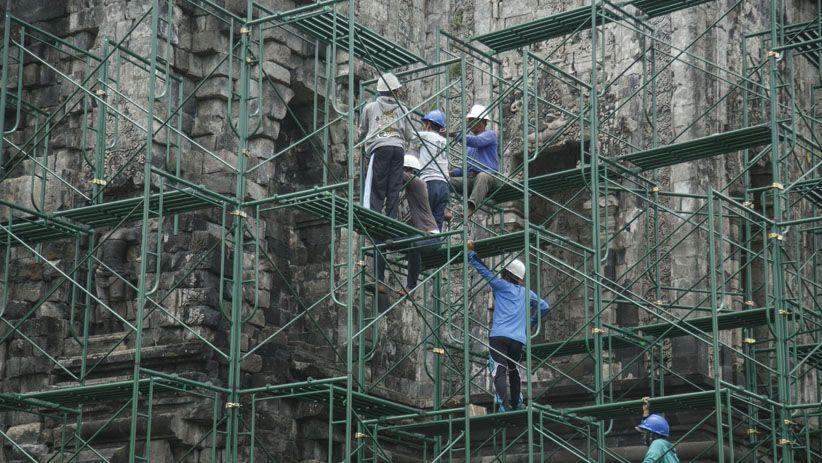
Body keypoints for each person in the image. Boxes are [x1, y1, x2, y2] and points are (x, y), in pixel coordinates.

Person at [466, 240, 550, 412]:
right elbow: (544, 306)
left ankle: (503, 405)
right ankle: (518, 403)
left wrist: (471, 255)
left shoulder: (500, 285)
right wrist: (531, 322)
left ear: (507, 274)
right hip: (518, 339)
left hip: (499, 336)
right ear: (519, 278)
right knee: (514, 370)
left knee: (499, 370)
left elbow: (485, 272)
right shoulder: (527, 293)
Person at [372, 155, 440, 294]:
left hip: (430, 236)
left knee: (413, 243)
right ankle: (379, 281)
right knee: (380, 240)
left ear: (408, 170)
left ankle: (411, 287)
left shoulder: (417, 184)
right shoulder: (397, 194)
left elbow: (396, 174)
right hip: (411, 237)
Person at [359, 73, 412, 219]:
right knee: (394, 185)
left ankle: (374, 215)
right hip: (398, 149)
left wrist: (361, 143)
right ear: (395, 91)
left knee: (377, 183)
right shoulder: (403, 109)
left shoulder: (369, 108)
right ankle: (391, 216)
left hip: (379, 147)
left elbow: (362, 131)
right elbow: (409, 135)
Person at [448, 104, 499, 216]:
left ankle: (471, 207)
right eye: (470, 121)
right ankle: (443, 207)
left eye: (474, 121)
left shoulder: (490, 135)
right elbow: (467, 167)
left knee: (482, 176)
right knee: (445, 180)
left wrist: (456, 135)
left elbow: (477, 141)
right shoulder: (469, 146)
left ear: (484, 122)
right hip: (471, 178)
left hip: (488, 177)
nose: (472, 124)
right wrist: (451, 173)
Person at [413, 110, 449, 230]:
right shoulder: (445, 141)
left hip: (430, 182)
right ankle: (435, 244)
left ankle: (422, 245)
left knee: (424, 219)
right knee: (436, 223)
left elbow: (409, 135)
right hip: (444, 185)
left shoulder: (427, 136)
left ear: (428, 124)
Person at [637, 397, 679, 463]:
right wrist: (646, 411)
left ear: (653, 434)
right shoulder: (667, 448)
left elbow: (649, 461)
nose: (643, 435)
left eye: (645, 433)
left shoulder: (657, 443)